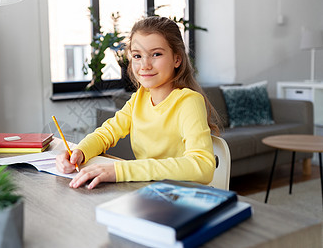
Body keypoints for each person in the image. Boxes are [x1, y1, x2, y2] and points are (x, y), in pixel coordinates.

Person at [56, 16, 220, 190]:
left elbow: (203, 166)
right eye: (137, 56)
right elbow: (106, 134)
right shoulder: (138, 99)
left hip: (181, 196)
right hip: (147, 191)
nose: (145, 65)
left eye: (156, 54)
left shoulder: (189, 102)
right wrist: (79, 152)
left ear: (177, 59)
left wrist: (121, 170)